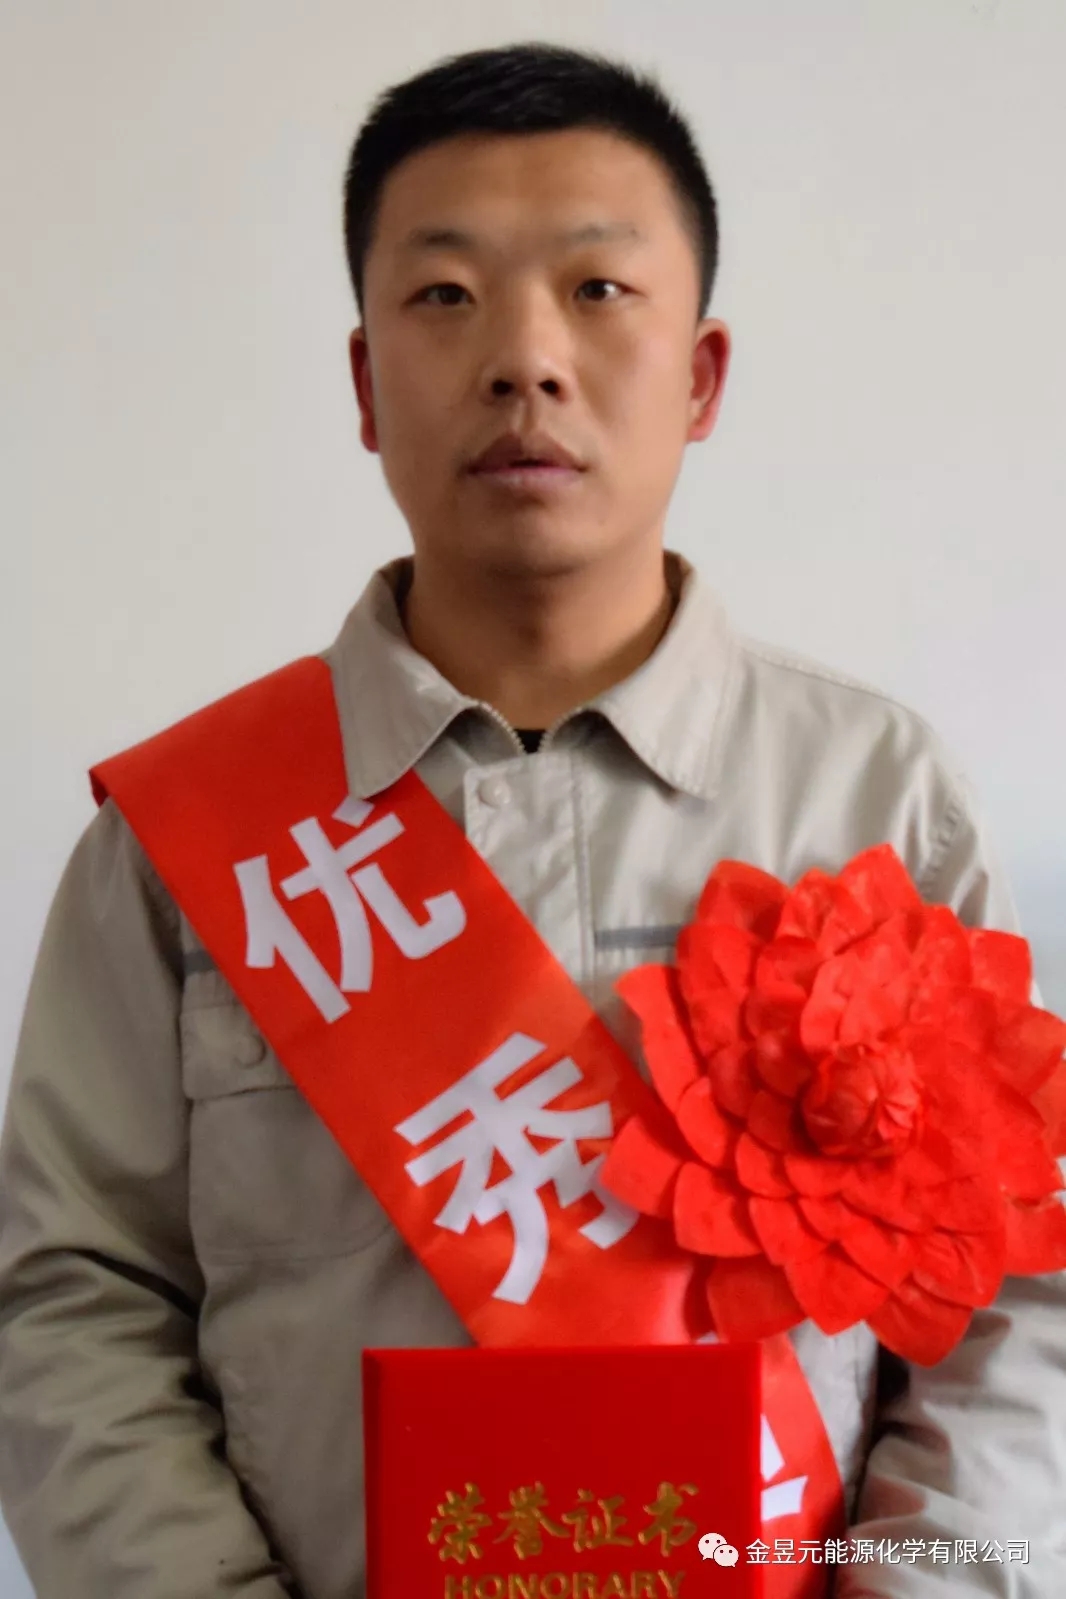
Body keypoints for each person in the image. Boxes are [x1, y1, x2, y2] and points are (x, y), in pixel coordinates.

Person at [0, 39, 1061, 1599]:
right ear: (364, 385)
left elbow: (1012, 1297)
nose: (524, 358)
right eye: (445, 295)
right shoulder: (185, 841)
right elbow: (74, 1301)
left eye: (596, 289)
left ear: (699, 376)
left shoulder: (874, 800)